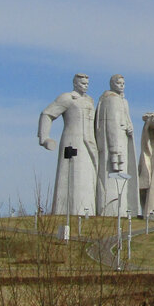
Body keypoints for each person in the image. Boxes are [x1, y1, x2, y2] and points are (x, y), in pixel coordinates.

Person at [38, 74, 98, 217]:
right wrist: (44, 138)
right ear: (75, 84)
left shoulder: (90, 100)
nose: (86, 86)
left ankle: (87, 210)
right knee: (73, 175)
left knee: (88, 176)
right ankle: (68, 210)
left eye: (87, 83)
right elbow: (47, 114)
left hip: (90, 143)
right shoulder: (67, 98)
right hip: (72, 142)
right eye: (83, 83)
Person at [95, 74, 139, 217]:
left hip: (122, 140)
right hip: (115, 146)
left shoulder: (122, 101)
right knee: (114, 178)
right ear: (112, 84)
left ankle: (121, 209)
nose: (122, 85)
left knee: (122, 179)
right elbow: (111, 124)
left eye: (123, 83)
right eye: (119, 83)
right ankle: (112, 210)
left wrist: (130, 127)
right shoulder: (111, 100)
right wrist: (115, 150)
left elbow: (126, 120)